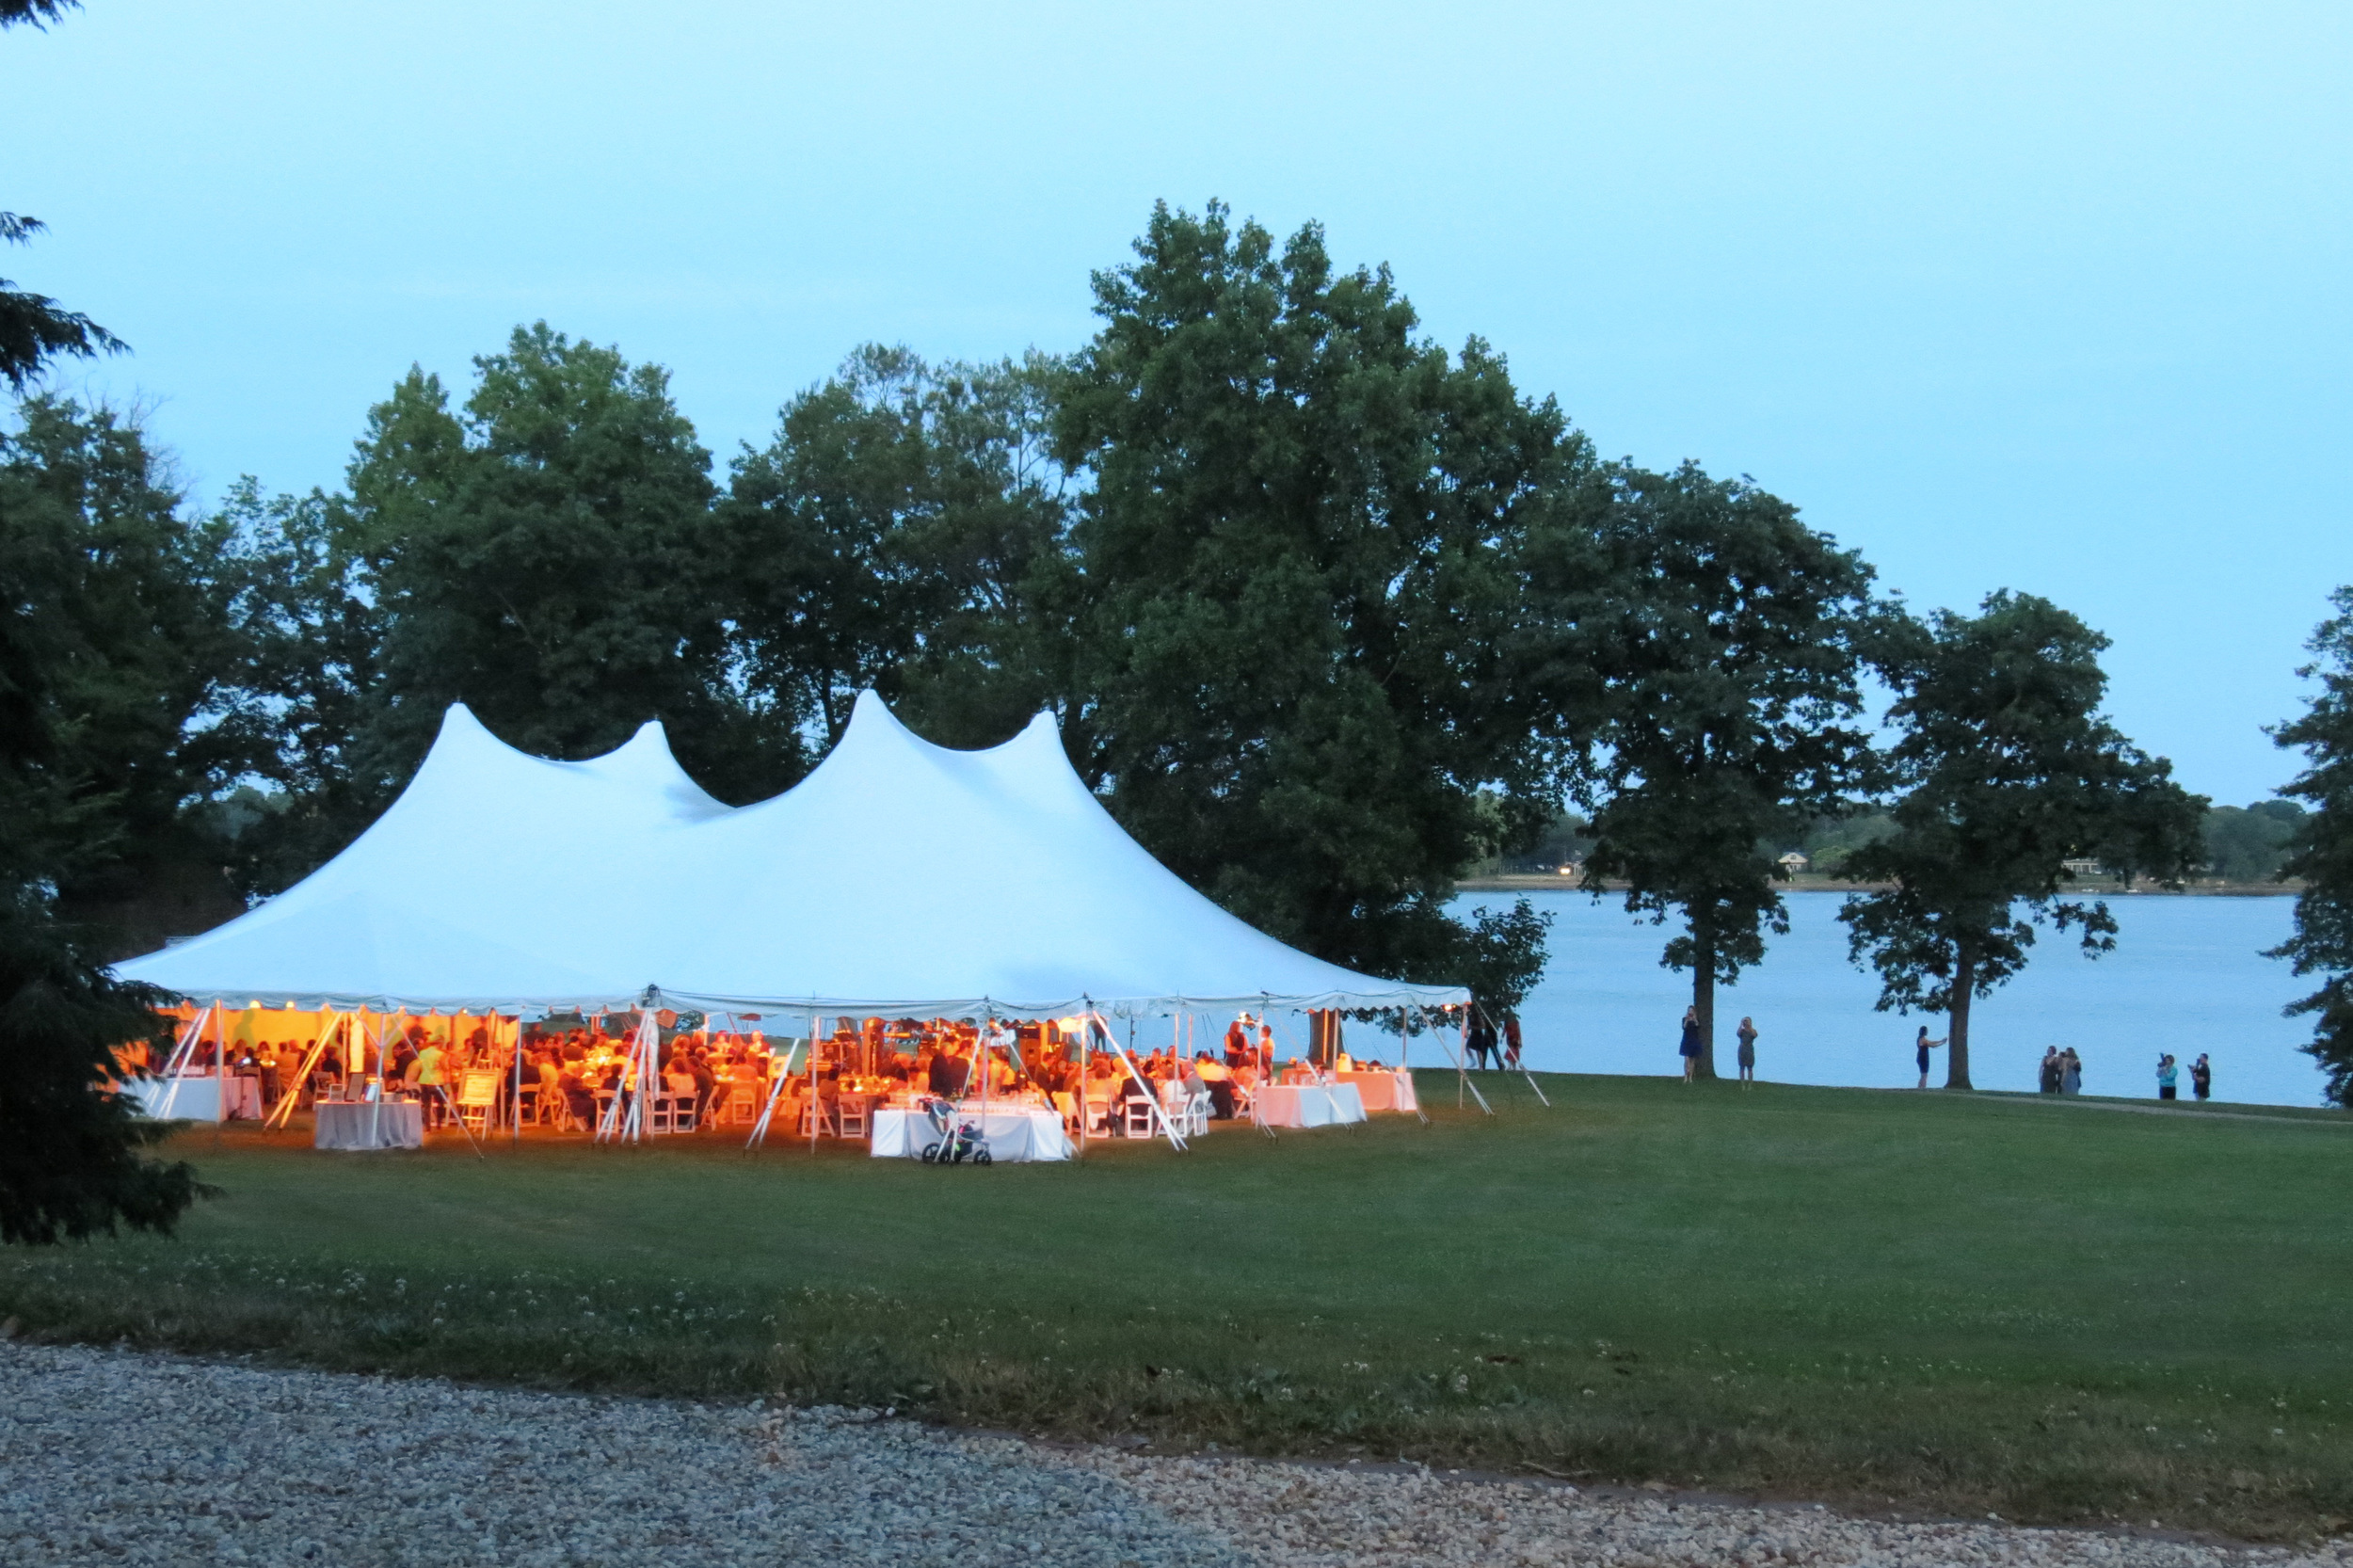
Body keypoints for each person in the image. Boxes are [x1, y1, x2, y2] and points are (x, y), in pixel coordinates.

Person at [1913, 1025, 1944, 1090]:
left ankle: (1920, 1087)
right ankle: (1922, 1088)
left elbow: (1931, 1042)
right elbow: (1932, 1045)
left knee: (1923, 1074)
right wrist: (1942, 1043)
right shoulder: (1922, 1039)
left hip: (1923, 1057)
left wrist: (1941, 1041)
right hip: (1923, 1058)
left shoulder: (1922, 1038)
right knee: (1924, 1074)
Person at [1677, 1007, 1701, 1083]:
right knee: (1686, 1059)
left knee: (1692, 1060)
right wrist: (1687, 1020)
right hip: (1686, 1040)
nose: (1690, 1012)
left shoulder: (1696, 1019)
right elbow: (1684, 1027)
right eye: (1689, 1010)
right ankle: (1685, 1076)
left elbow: (1698, 1026)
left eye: (1691, 1011)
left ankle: (1690, 1077)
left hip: (1694, 1040)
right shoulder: (1684, 1019)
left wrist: (1694, 1019)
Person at [1735, 1016, 1758, 1088]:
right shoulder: (1742, 1031)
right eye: (1745, 1021)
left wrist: (1749, 1026)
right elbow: (1738, 1034)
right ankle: (1743, 1085)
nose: (1746, 1022)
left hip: (1749, 1050)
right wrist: (1741, 1023)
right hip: (1742, 1050)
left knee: (1750, 1068)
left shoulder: (1753, 1031)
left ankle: (1750, 1084)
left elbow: (1755, 1035)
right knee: (1742, 1067)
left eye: (1747, 1021)